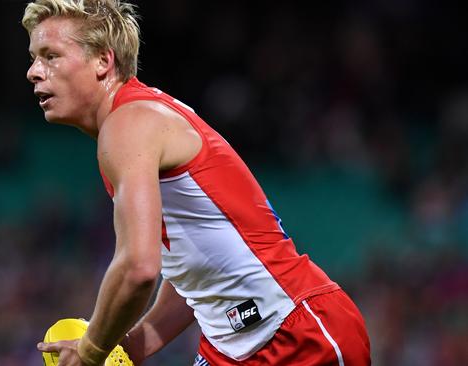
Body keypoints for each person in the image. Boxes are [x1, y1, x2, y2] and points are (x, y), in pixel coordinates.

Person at [23, 1, 371, 365]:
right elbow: (196, 261)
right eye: (34, 58)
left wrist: (92, 350)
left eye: (51, 56)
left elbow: (139, 268)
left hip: (296, 331)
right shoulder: (134, 124)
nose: (34, 71)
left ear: (103, 62)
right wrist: (129, 347)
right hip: (235, 347)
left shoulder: (128, 124)